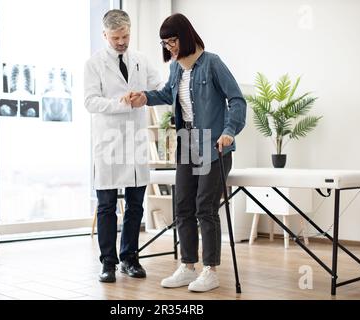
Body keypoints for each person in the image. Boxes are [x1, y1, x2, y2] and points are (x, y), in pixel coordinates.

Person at [123, 13, 246, 292]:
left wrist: (229, 131)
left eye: (173, 41)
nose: (169, 47)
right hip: (188, 142)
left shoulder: (212, 63)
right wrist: (145, 97)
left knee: (205, 206)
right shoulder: (178, 68)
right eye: (165, 43)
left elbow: (237, 100)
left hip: (214, 144)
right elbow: (168, 94)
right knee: (183, 206)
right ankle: (188, 266)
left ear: (186, 36)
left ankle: (210, 270)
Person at [84, 9, 161, 283]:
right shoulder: (93, 64)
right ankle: (108, 263)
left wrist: (144, 97)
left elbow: (159, 86)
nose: (121, 42)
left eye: (125, 36)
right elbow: (90, 101)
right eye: (116, 37)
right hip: (108, 141)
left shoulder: (141, 60)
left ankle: (130, 258)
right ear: (105, 35)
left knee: (135, 204)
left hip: (136, 138)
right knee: (106, 205)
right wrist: (121, 102)